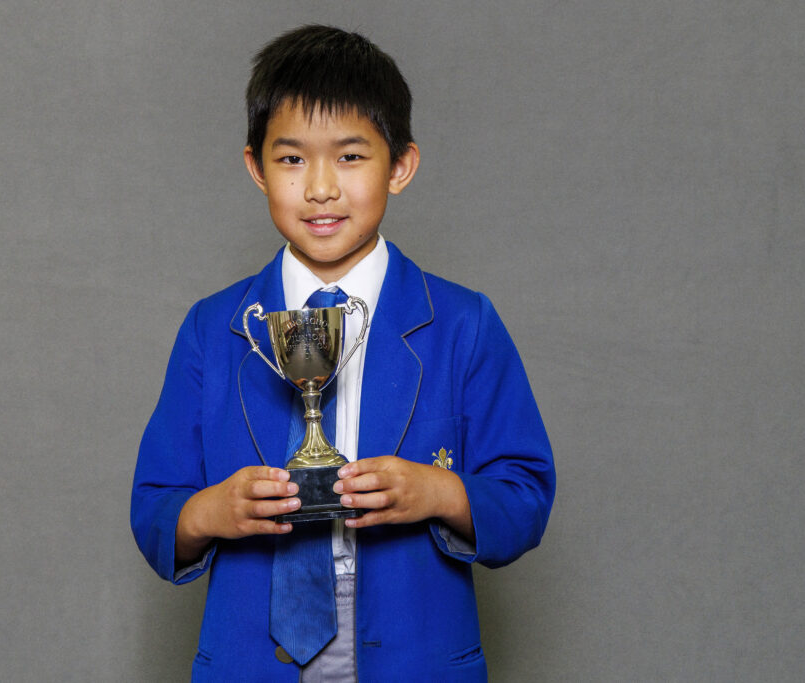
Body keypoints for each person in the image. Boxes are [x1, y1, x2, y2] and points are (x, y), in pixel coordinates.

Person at [131, 24, 556, 682]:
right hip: (252, 654)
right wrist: (213, 511)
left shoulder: (463, 324)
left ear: (401, 166)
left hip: (416, 654)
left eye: (351, 157)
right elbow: (155, 509)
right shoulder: (213, 329)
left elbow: (525, 496)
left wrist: (438, 491)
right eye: (292, 159)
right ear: (255, 166)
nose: (321, 187)